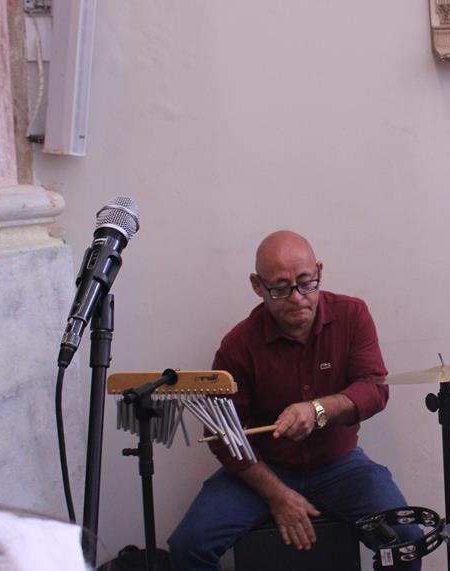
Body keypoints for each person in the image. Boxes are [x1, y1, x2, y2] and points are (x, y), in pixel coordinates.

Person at [169, 231, 418, 570]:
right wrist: (277, 495)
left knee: (407, 540)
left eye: (306, 283)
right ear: (258, 286)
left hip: (341, 466)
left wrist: (319, 410)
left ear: (319, 271)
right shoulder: (238, 345)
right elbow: (223, 435)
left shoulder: (352, 315)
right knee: (188, 546)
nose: (298, 298)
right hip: (264, 469)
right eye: (281, 288)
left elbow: (375, 389)